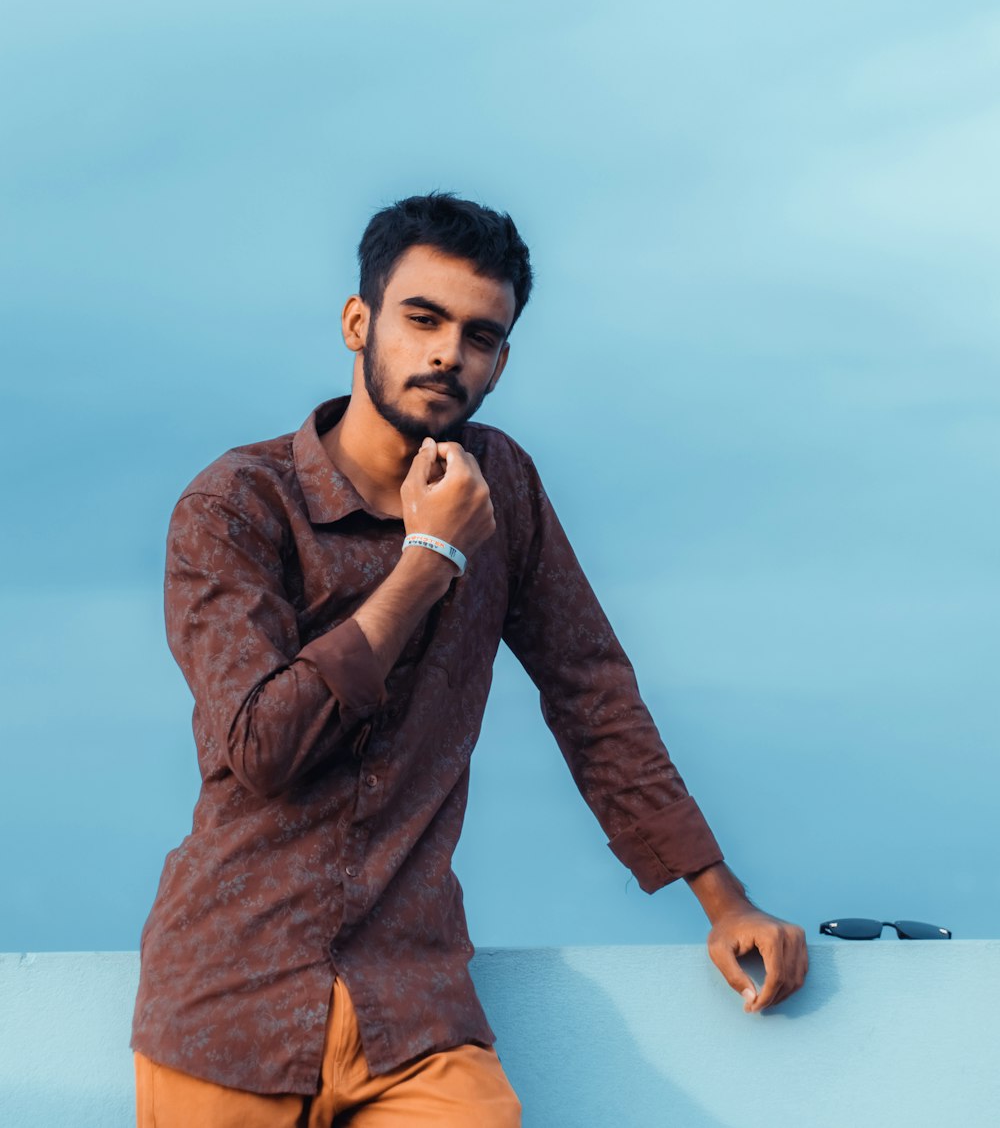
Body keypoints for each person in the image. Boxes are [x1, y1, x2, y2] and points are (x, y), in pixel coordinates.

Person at [131, 191, 808, 1126]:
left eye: (480, 334)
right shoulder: (236, 506)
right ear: (357, 322)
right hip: (229, 1004)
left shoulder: (508, 490)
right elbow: (263, 745)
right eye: (423, 318)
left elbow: (590, 692)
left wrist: (722, 900)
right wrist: (431, 557)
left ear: (501, 358)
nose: (448, 351)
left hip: (411, 1012)